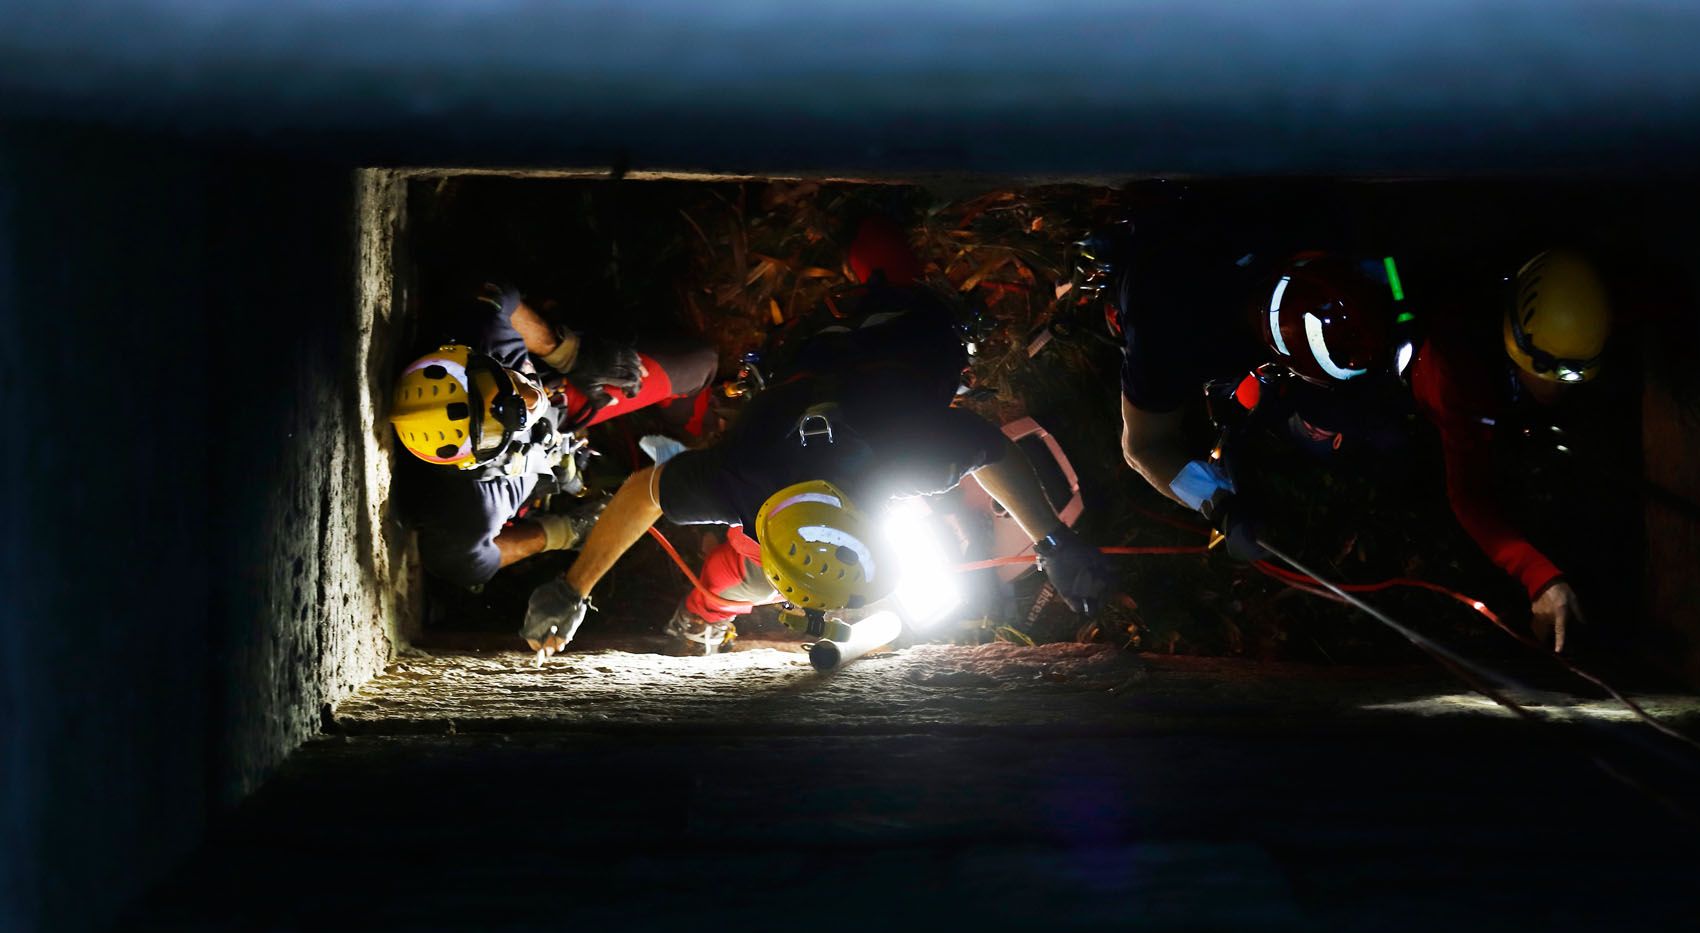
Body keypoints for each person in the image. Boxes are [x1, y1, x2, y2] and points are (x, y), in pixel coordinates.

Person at [519, 233, 1111, 656]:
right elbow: (643, 492)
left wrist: (1055, 541)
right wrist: (572, 589)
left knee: (883, 265)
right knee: (734, 576)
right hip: (851, 348)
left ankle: (873, 249)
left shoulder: (905, 459)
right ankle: (703, 618)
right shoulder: (754, 479)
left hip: (876, 341)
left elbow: (993, 449)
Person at [1106, 197, 1408, 558]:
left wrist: (1222, 505)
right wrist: (1214, 501)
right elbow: (1143, 446)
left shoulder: (1329, 232)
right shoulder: (1168, 342)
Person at [390, 283, 718, 589]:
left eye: (506, 382)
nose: (530, 399)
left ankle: (693, 437)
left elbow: (496, 293)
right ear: (474, 462)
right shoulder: (469, 510)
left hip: (563, 398)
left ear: (467, 357)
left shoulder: (479, 336)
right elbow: (465, 566)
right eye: (509, 417)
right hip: (551, 448)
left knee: (699, 363)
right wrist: (559, 532)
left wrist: (566, 351)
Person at [1409, 249, 1611, 652]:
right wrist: (1540, 577)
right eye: (1552, 376)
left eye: (1576, 374)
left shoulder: (1574, 311)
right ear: (1518, 349)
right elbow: (1468, 497)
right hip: (1445, 421)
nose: (1562, 388)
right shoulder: (1453, 375)